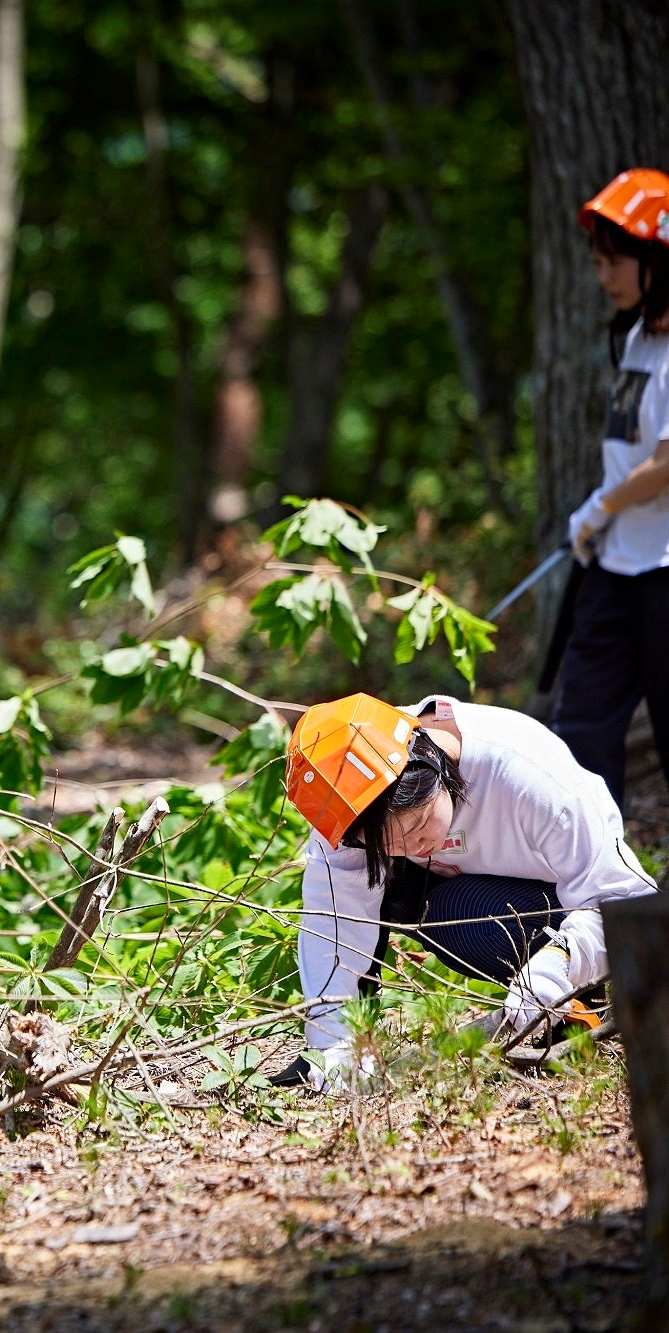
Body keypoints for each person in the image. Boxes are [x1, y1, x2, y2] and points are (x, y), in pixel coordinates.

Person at [278, 694, 655, 1092]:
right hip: (464, 890)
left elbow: (628, 901)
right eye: (392, 846)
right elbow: (334, 923)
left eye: (420, 821)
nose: (416, 847)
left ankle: (576, 995)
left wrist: (560, 959)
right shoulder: (344, 804)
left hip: (563, 904)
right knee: (402, 896)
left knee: (467, 918)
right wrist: (334, 1045)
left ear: (435, 763)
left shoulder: (527, 775)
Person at [553, 169, 669, 810]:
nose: (606, 274)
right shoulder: (632, 337)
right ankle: (594, 888)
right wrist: (596, 519)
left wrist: (600, 507)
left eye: (619, 259)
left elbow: (666, 462)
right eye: (600, 261)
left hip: (664, 571)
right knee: (582, 731)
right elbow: (628, 445)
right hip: (615, 569)